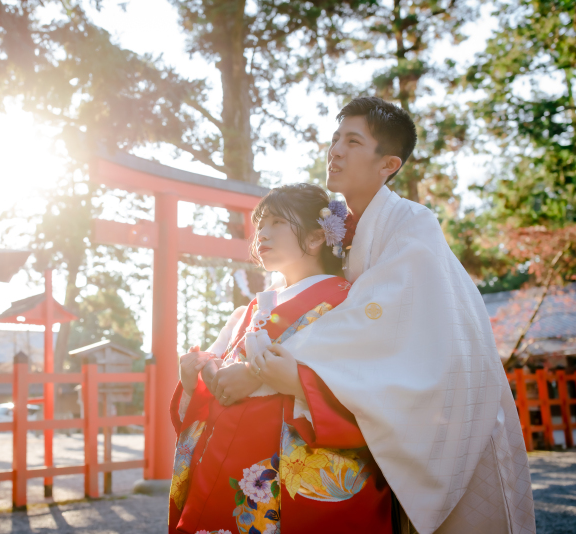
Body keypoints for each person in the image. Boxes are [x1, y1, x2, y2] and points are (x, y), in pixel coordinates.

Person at [241, 97, 536, 534]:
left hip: (446, 405)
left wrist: (258, 369)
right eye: (336, 138)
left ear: (388, 163)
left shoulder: (412, 222)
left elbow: (372, 319)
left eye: (353, 141)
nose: (335, 150)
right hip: (395, 404)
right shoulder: (343, 228)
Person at [168, 183, 393, 534]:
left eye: (276, 222)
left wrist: (278, 377)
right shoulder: (253, 309)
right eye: (260, 224)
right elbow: (215, 385)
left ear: (317, 237)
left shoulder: (346, 304)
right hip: (227, 457)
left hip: (288, 463)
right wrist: (196, 378)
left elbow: (365, 388)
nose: (261, 233)